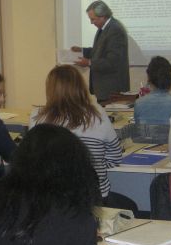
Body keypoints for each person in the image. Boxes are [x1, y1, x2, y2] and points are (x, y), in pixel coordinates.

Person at [30, 65, 125, 203]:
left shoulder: (37, 118)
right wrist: (95, 165)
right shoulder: (98, 113)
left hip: (51, 199)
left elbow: (34, 162)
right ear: (81, 87)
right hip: (92, 197)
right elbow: (115, 156)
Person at [71, 0, 130, 102]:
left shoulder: (115, 30)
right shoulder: (104, 28)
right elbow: (99, 50)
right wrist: (82, 50)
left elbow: (112, 62)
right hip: (104, 90)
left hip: (111, 90)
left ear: (103, 16)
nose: (91, 22)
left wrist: (89, 62)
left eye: (93, 19)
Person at [134, 56, 171, 125]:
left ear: (149, 77)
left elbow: (138, 128)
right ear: (170, 78)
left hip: (147, 136)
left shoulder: (139, 103)